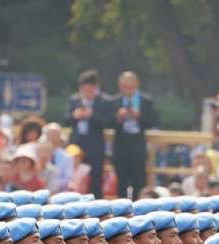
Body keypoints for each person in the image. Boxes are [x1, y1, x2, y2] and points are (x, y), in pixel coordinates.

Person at [110, 71, 159, 199]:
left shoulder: (145, 101)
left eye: (131, 86)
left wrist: (138, 116)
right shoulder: (114, 101)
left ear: (137, 84)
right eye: (125, 86)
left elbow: (153, 121)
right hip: (121, 146)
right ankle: (121, 214)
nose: (128, 90)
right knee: (121, 184)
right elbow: (107, 122)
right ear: (120, 86)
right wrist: (118, 117)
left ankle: (138, 213)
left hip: (138, 146)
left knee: (139, 182)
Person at [64, 70, 110, 199]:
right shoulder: (74, 100)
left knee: (95, 180)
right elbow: (66, 120)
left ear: (96, 88)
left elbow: (108, 122)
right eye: (83, 90)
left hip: (95, 146)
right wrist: (75, 116)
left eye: (89, 90)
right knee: (74, 179)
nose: (86, 94)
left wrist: (92, 115)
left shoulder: (104, 101)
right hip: (76, 145)